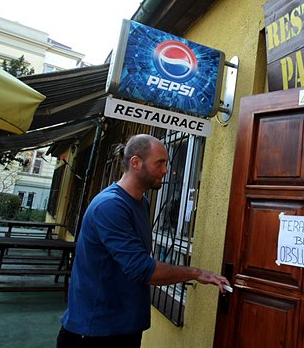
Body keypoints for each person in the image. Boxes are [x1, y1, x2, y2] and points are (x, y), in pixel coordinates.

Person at [57, 134, 229, 348]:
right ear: (136, 163)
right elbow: (141, 269)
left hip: (125, 328)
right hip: (95, 331)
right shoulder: (110, 206)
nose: (166, 170)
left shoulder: (141, 203)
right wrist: (197, 273)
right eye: (160, 163)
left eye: (166, 163)